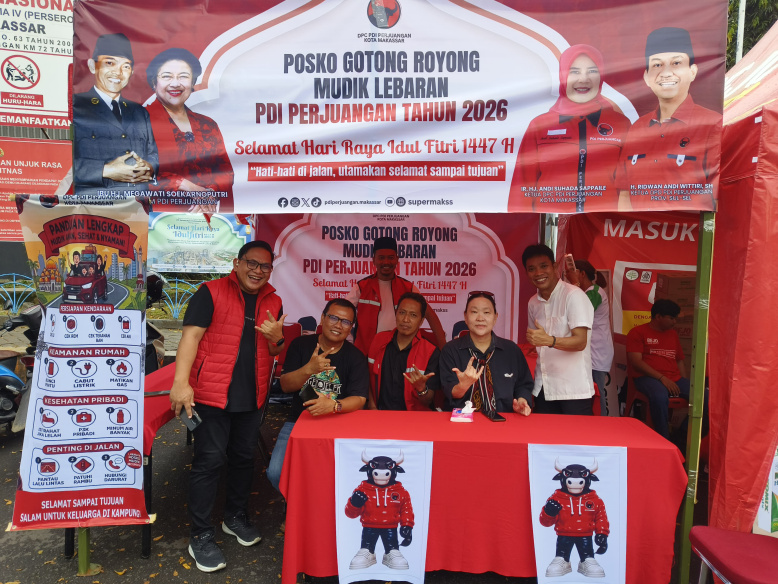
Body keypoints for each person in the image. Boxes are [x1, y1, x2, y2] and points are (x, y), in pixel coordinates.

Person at [169, 240, 286, 573]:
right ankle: (200, 535)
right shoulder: (211, 292)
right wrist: (181, 383)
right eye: (252, 263)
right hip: (211, 395)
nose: (258, 271)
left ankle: (234, 517)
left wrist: (276, 338)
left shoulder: (274, 300)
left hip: (252, 395)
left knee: (243, 459)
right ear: (237, 263)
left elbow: (275, 350)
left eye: (265, 266)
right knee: (209, 462)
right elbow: (190, 337)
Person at [508, 44, 630, 213]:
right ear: (563, 76)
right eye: (574, 72)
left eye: (592, 71)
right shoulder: (540, 125)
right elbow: (522, 186)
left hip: (602, 223)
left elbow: (628, 185)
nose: (583, 79)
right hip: (551, 224)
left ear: (601, 76)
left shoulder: (620, 124)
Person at [266, 299, 369, 495]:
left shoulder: (355, 357)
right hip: (299, 421)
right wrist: (309, 369)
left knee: (335, 476)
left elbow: (360, 399)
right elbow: (285, 385)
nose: (338, 325)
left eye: (346, 322)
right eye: (333, 318)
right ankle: (298, 507)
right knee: (276, 473)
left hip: (338, 423)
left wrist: (333, 405)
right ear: (322, 318)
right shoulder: (301, 345)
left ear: (351, 327)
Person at [616, 27, 721, 211]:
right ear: (646, 77)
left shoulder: (713, 125)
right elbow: (625, 194)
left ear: (693, 71)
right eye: (657, 65)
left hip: (686, 229)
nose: (666, 73)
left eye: (676, 63)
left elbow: (717, 196)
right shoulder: (637, 129)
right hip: (639, 229)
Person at [145, 48, 235, 213]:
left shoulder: (208, 124)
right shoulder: (139, 121)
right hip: (155, 219)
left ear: (192, 83)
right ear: (153, 82)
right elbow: (132, 173)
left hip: (207, 216)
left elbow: (226, 171)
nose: (175, 83)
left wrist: (209, 193)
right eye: (167, 76)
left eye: (183, 76)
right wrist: (186, 185)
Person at [73, 33, 158, 193]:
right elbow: (58, 163)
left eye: (125, 66)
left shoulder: (139, 112)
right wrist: (106, 170)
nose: (118, 72)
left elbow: (153, 155)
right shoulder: (76, 106)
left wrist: (149, 168)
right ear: (92, 66)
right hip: (95, 205)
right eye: (110, 63)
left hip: (138, 203)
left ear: (131, 72)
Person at [523, 244, 595, 415]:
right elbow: (535, 339)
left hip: (573, 390)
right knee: (543, 433)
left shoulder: (574, 296)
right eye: (532, 269)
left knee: (576, 433)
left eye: (543, 266)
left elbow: (580, 342)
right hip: (544, 387)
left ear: (555, 267)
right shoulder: (533, 302)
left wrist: (549, 340)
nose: (538, 273)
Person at [440, 291, 533, 416]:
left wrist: (522, 400)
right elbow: (449, 390)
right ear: (465, 317)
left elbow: (523, 384)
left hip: (504, 419)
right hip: (462, 420)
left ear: (495, 317)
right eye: (474, 312)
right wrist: (463, 386)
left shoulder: (511, 350)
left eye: (486, 312)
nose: (480, 318)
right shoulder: (451, 350)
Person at [347, 236, 445, 354]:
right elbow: (341, 313)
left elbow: (431, 316)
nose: (386, 262)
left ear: (397, 260)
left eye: (391, 258)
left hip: (398, 354)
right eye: (381, 258)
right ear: (374, 260)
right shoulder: (361, 287)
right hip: (365, 354)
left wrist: (444, 349)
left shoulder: (408, 288)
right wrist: (348, 344)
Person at [626, 299, 689, 439]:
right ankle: (663, 439)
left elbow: (679, 360)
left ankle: (681, 438)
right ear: (658, 316)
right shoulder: (637, 332)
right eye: (671, 318)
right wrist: (662, 378)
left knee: (705, 398)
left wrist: (684, 381)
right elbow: (636, 362)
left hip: (674, 378)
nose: (674, 322)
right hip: (646, 378)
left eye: (676, 318)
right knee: (659, 396)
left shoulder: (673, 334)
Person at [366, 292, 440, 411]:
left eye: (413, 315)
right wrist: (372, 407)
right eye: (402, 313)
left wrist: (421, 389)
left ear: (421, 321)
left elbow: (427, 401)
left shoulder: (430, 351)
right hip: (379, 414)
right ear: (396, 314)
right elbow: (369, 377)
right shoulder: (379, 340)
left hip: (414, 418)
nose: (406, 319)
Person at [568, 260, 614, 415]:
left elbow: (578, 314)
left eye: (571, 271)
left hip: (596, 351)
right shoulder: (586, 292)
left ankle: (601, 425)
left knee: (597, 393)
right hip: (590, 350)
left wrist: (573, 286)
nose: (568, 275)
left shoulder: (594, 292)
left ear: (581, 273)